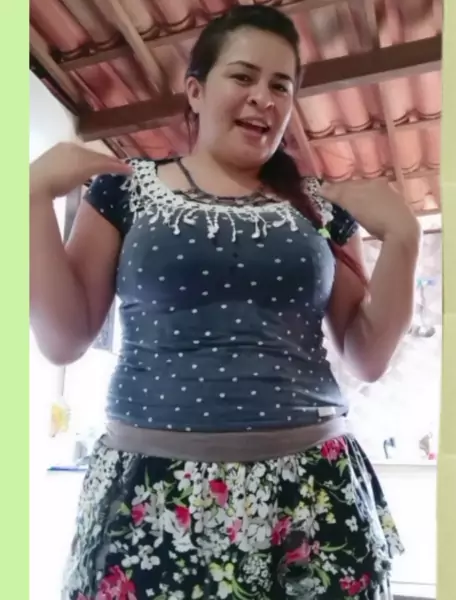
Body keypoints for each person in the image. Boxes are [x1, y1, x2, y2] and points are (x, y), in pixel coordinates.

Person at [30, 6, 420, 600]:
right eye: (242, 76)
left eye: (281, 86)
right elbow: (63, 338)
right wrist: (31, 196)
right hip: (155, 495)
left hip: (311, 494)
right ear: (195, 90)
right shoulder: (124, 190)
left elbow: (366, 357)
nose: (264, 97)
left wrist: (404, 238)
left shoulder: (322, 207)